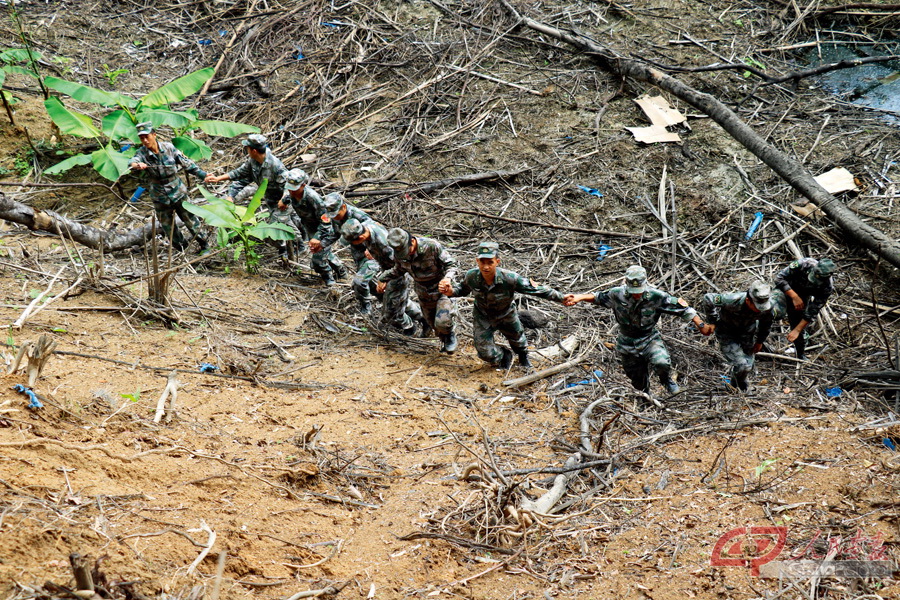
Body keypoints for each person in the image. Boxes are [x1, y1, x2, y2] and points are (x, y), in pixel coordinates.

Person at [564, 265, 713, 394]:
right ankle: (645, 397)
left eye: (639, 290)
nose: (636, 294)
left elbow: (684, 309)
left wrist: (702, 326)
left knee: (661, 362)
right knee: (636, 379)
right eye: (633, 290)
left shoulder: (657, 296)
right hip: (627, 341)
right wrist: (579, 297)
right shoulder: (617, 293)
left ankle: (667, 381)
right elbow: (597, 297)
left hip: (649, 338)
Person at [445, 241, 566, 369]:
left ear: (497, 262)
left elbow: (537, 289)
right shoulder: (472, 276)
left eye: (490, 262)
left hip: (506, 314)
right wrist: (451, 292)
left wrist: (562, 298)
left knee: (518, 341)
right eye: (482, 262)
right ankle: (504, 356)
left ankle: (523, 357)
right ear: (477, 261)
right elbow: (461, 290)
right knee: (484, 352)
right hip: (483, 316)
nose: (486, 267)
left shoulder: (509, 278)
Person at [128, 122, 208, 253]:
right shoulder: (141, 153)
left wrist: (203, 175)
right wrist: (137, 164)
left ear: (154, 135)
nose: (145, 140)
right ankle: (183, 249)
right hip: (159, 195)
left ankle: (204, 245)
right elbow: (131, 161)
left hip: (178, 191)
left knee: (190, 218)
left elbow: (187, 164)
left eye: (147, 136)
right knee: (168, 226)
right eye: (142, 138)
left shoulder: (169, 148)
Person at [378, 228, 459, 353]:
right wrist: (383, 278)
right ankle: (444, 339)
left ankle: (450, 335)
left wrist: (448, 279)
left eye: (406, 250)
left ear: (412, 241)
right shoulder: (400, 254)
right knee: (433, 324)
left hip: (442, 290)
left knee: (442, 322)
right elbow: (398, 270)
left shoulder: (431, 246)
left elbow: (451, 265)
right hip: (424, 294)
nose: (406, 255)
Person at [341, 218, 423, 332]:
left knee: (391, 312)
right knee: (395, 301)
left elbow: (400, 265)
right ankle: (422, 318)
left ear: (360, 238)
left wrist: (385, 279)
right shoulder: (364, 227)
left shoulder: (385, 246)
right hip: (389, 270)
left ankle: (410, 327)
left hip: (399, 274)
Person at [702, 281, 774, 392]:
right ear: (748, 301)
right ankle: (733, 387)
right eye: (757, 306)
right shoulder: (732, 300)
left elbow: (766, 324)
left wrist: (760, 341)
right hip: (727, 333)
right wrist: (712, 321)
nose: (761, 309)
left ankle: (739, 386)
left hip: (747, 333)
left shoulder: (767, 307)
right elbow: (708, 298)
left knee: (747, 366)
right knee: (742, 365)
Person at [281, 169, 345, 285]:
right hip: (310, 227)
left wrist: (317, 237)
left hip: (323, 230)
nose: (291, 190)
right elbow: (289, 195)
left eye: (294, 188)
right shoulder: (292, 193)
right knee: (324, 254)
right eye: (289, 187)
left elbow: (326, 221)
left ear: (303, 185)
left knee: (317, 260)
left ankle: (329, 281)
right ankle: (341, 272)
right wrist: (284, 201)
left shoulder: (313, 198)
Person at [204, 133, 286, 211]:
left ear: (254, 151)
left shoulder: (276, 165)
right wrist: (218, 179)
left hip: (284, 203)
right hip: (271, 202)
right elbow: (239, 173)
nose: (247, 151)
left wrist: (284, 200)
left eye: (248, 148)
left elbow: (289, 185)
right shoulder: (253, 161)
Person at [772, 257, 835, 360]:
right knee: (771, 311)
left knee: (799, 329)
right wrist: (794, 296)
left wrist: (796, 330)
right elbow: (779, 278)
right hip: (784, 291)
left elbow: (813, 311)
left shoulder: (827, 287)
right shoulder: (804, 264)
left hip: (802, 300)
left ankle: (800, 354)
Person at [311, 192, 372, 270]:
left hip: (370, 249)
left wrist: (371, 249)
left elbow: (374, 231)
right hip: (357, 249)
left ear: (343, 207)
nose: (334, 217)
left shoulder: (359, 216)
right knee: (362, 272)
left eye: (336, 214)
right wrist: (322, 244)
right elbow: (336, 233)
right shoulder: (335, 216)